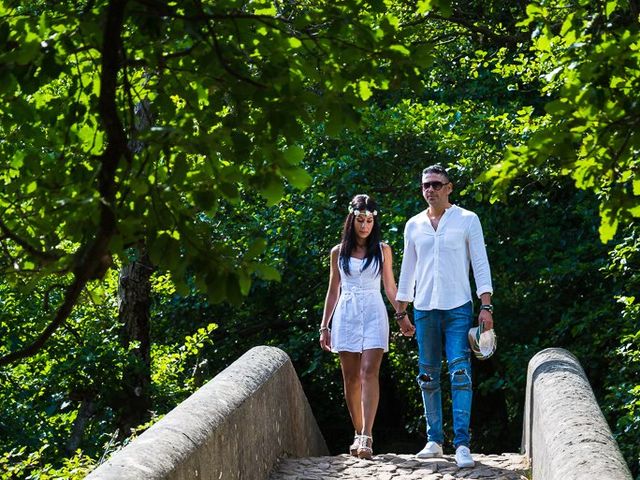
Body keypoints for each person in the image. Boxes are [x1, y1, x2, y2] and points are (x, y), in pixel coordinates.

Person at [396, 164, 494, 468]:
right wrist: (401, 311)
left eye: (437, 184)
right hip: (424, 308)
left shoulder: (467, 219)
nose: (430, 190)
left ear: (449, 187)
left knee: (460, 372)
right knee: (427, 375)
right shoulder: (413, 224)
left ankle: (462, 443)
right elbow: (407, 268)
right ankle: (434, 440)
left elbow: (480, 262)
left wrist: (486, 305)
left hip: (458, 306)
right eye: (426, 185)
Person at [319, 194, 415, 460]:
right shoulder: (338, 252)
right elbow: (333, 290)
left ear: (375, 221)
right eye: (360, 220)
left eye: (369, 220)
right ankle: (357, 431)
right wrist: (324, 326)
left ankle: (367, 436)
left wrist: (402, 315)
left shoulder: (383, 250)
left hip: (373, 311)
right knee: (350, 378)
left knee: (368, 371)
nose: (365, 226)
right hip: (347, 313)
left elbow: (390, 287)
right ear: (352, 220)